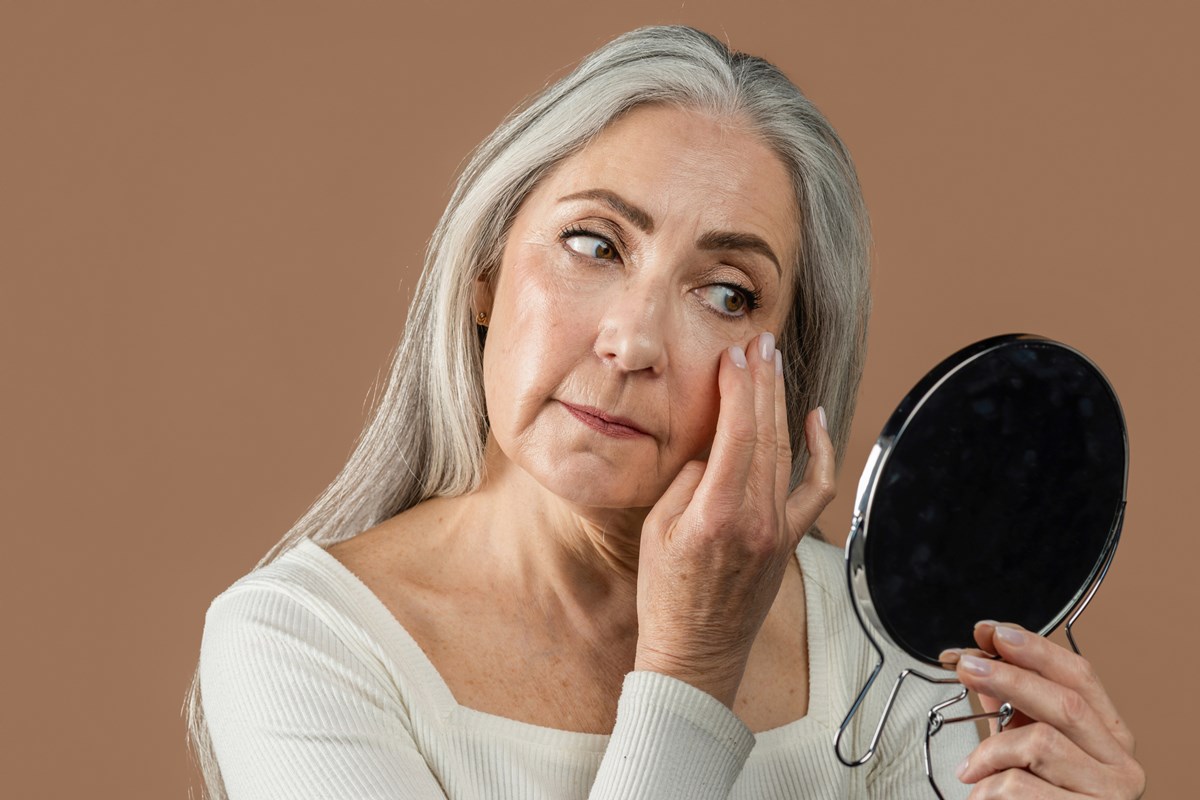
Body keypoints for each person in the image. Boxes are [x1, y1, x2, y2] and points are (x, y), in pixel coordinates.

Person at [184, 26, 1145, 800]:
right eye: (594, 244)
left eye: (727, 294)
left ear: (787, 367)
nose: (634, 341)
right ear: (484, 274)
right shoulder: (302, 644)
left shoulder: (877, 653)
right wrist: (693, 668)